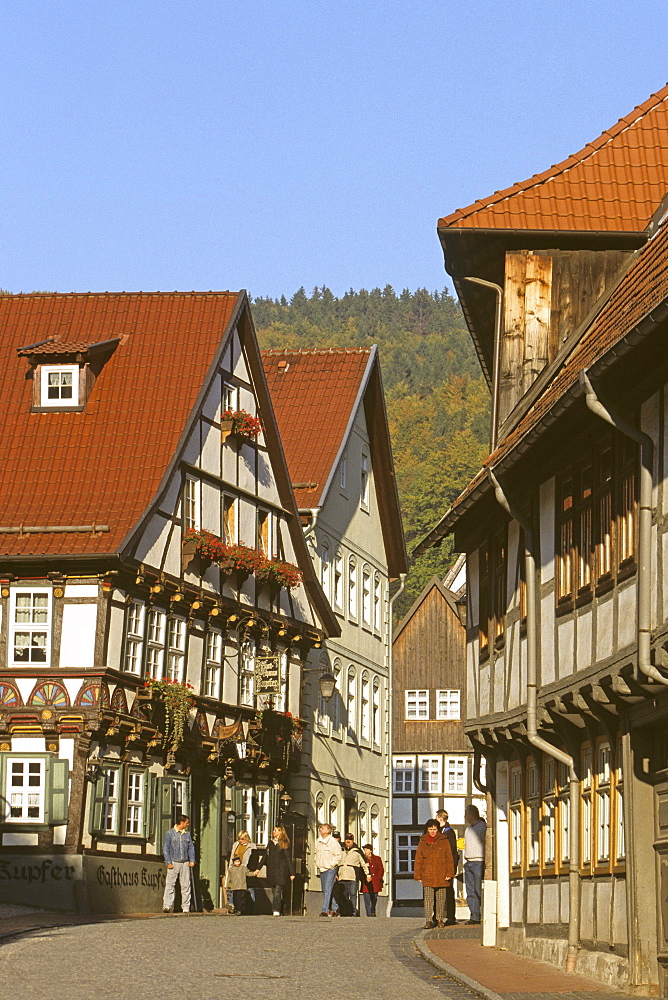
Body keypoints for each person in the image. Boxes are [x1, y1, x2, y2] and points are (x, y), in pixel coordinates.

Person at [413, 818, 455, 929]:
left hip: (441, 874)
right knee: (428, 899)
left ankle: (439, 919)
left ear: (438, 829)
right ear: (427, 829)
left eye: (434, 829)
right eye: (430, 829)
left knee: (441, 899)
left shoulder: (444, 840)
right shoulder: (423, 842)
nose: (432, 831)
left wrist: (449, 873)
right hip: (428, 874)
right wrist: (417, 874)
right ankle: (428, 920)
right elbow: (418, 859)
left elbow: (449, 858)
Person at [253, 825, 295, 916]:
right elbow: (265, 856)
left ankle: (276, 910)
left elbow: (288, 859)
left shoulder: (284, 843)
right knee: (274, 890)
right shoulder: (271, 843)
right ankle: (280, 907)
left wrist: (292, 872)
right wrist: (258, 868)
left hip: (281, 871)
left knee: (277, 891)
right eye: (273, 830)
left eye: (276, 830)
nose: (274, 832)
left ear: (281, 832)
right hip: (271, 870)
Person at [163, 814, 196, 913]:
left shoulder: (187, 834)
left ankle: (186, 906)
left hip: (185, 862)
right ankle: (167, 905)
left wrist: (192, 860)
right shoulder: (170, 833)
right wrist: (168, 861)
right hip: (174, 861)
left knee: (186, 885)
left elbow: (191, 847)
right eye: (187, 822)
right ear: (181, 822)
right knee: (170, 884)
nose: (188, 824)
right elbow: (166, 848)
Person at [336, 833, 371, 916]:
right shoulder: (340, 849)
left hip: (353, 876)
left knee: (353, 894)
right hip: (342, 875)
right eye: (347, 839)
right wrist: (335, 873)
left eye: (350, 840)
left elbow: (364, 863)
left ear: (353, 841)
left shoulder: (357, 851)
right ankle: (345, 911)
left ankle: (353, 911)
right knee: (343, 895)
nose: (348, 841)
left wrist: (368, 874)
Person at [463, 804, 486, 925]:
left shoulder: (482, 827)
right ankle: (474, 916)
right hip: (469, 862)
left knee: (478, 890)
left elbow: (487, 844)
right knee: (470, 891)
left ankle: (481, 915)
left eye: (466, 814)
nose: (464, 816)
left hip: (478, 862)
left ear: (471, 815)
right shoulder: (468, 829)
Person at [436, 810, 459, 925]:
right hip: (441, 867)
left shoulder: (448, 833)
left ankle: (451, 916)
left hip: (447, 867)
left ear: (440, 818)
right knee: (441, 892)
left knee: (449, 892)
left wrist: (451, 869)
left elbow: (451, 852)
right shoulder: (442, 831)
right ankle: (440, 915)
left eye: (436, 817)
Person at [314, 823, 342, 917]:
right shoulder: (318, 841)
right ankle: (335, 908)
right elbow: (315, 853)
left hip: (330, 868)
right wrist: (316, 863)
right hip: (322, 868)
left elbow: (338, 855)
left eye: (322, 828)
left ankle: (324, 910)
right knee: (326, 889)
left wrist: (331, 865)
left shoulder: (333, 842)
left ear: (328, 831)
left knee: (327, 888)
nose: (320, 829)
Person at [229, 829, 257, 909]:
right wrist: (230, 867)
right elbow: (232, 856)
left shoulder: (251, 846)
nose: (240, 840)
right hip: (235, 869)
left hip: (246, 868)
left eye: (242, 839)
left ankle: (251, 906)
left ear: (247, 838)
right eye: (239, 838)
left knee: (249, 888)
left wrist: (251, 869)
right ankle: (233, 905)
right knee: (235, 888)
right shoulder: (236, 845)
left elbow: (254, 858)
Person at [361, 843, 384, 917]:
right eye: (364, 849)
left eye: (367, 849)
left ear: (370, 850)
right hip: (366, 882)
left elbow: (381, 869)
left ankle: (373, 910)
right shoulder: (363, 859)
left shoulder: (377, 859)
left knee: (374, 898)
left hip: (375, 882)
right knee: (367, 899)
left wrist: (378, 878)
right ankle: (369, 914)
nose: (365, 851)